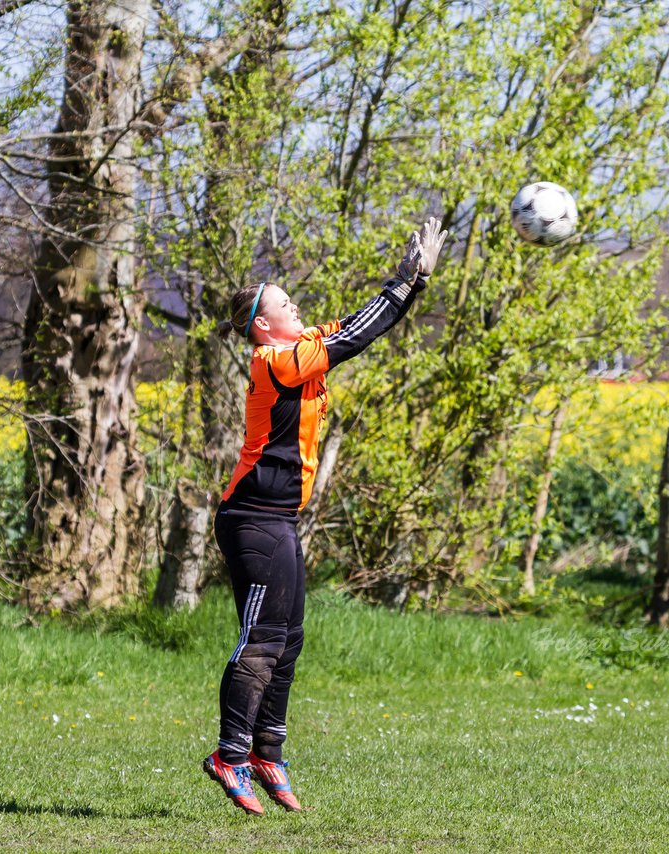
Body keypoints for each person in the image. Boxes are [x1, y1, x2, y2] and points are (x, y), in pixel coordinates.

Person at [202, 217, 448, 815]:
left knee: (289, 641)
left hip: (279, 519)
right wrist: (400, 278)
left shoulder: (298, 346)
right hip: (252, 518)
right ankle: (228, 755)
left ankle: (267, 752)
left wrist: (414, 283)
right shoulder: (273, 361)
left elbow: (356, 326)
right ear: (264, 323)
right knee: (260, 641)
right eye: (287, 302)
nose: (298, 306)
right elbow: (352, 338)